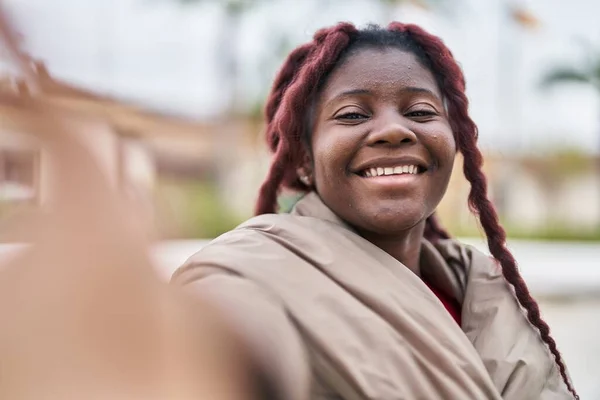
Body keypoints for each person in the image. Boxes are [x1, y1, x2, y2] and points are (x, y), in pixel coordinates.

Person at [172, 22, 578, 399]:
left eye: (420, 112)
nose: (393, 130)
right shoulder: (254, 274)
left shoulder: (485, 286)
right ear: (304, 162)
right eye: (352, 115)